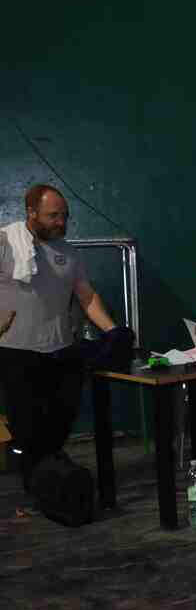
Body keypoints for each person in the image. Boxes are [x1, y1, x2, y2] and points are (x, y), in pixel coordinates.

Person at [0, 185, 122, 490]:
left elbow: (86, 296)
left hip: (61, 352)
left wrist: (113, 331)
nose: (61, 222)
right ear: (31, 213)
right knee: (27, 432)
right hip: (16, 353)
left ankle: (54, 486)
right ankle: (37, 488)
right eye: (53, 216)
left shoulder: (68, 252)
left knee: (57, 428)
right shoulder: (5, 243)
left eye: (64, 216)